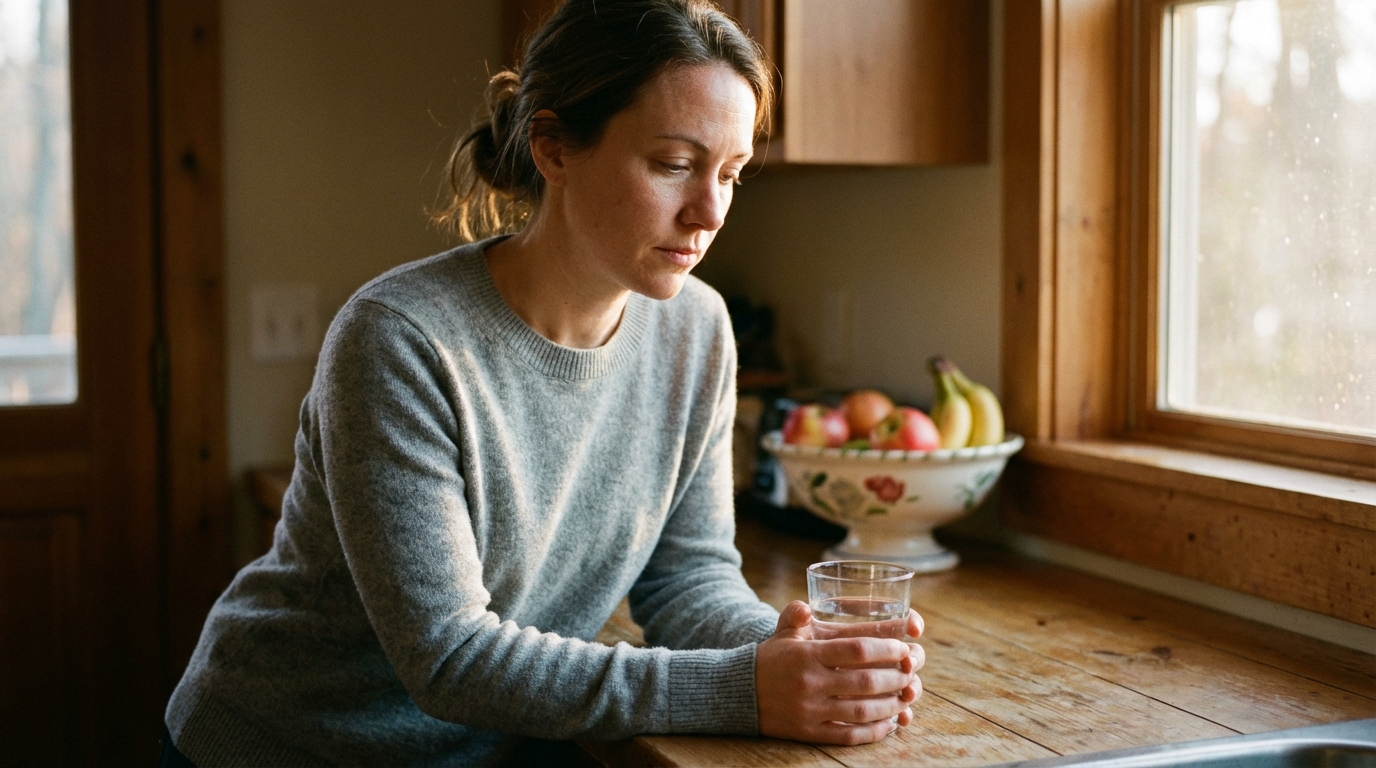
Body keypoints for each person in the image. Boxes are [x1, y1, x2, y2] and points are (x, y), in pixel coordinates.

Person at [163, 1, 924, 765]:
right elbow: (451, 659)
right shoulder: (399, 339)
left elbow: (688, 577)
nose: (709, 212)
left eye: (730, 172)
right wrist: (746, 689)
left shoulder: (698, 330)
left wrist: (803, 656)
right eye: (673, 165)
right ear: (554, 148)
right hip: (285, 747)